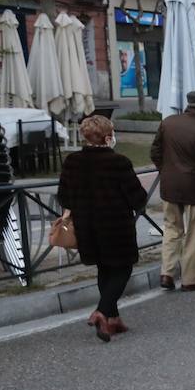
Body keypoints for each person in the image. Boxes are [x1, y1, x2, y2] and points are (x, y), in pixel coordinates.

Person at [56, 115, 150, 340]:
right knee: (123, 268)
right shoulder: (118, 162)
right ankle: (102, 311)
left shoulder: (72, 161)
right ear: (108, 138)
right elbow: (137, 197)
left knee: (104, 268)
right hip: (115, 224)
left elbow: (63, 196)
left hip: (86, 224)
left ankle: (113, 320)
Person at [151, 89, 195, 291]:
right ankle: (190, 279)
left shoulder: (168, 122)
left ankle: (167, 273)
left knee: (171, 230)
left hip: (170, 185)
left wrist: (165, 170)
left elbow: (155, 152)